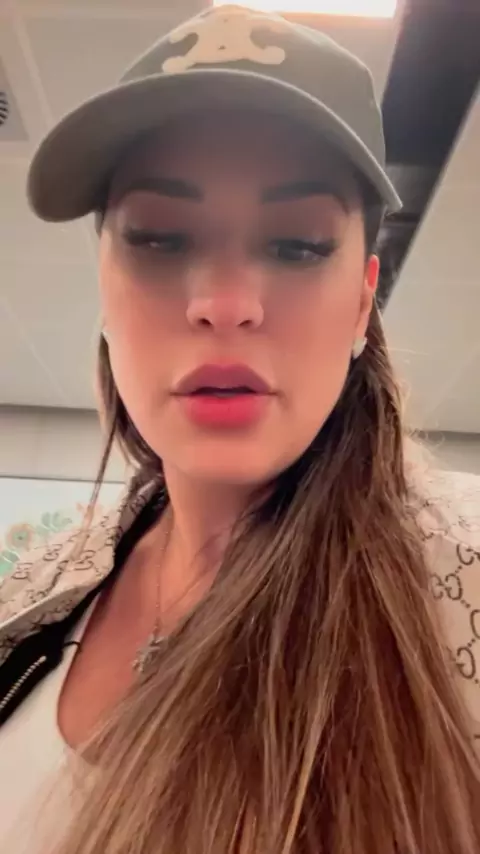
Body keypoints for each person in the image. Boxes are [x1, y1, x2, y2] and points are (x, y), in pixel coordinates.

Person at [0, 5, 479, 853]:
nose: (224, 304)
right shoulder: (31, 592)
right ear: (105, 291)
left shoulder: (463, 583)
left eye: (297, 245)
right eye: (158, 238)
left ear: (362, 302)